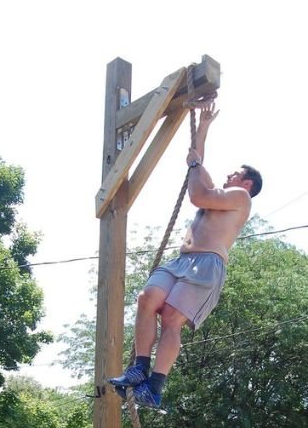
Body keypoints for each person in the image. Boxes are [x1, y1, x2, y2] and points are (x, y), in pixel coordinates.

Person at [109, 100, 263, 408]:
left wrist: (194, 165)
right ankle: (139, 367)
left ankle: (155, 385)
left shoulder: (240, 197)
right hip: (182, 260)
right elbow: (199, 166)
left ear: (246, 182)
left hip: (207, 264)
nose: (228, 175)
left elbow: (197, 192)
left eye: (234, 173)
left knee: (171, 318)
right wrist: (203, 129)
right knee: (147, 298)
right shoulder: (221, 196)